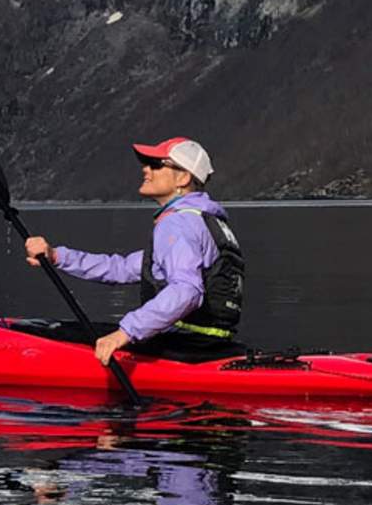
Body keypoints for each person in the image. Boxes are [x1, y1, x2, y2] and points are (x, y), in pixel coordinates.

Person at [24, 137, 245, 365]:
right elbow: (121, 268)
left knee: (57, 332)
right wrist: (57, 256)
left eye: (156, 164)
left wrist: (124, 333)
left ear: (183, 177)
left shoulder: (178, 224)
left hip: (186, 346)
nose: (146, 169)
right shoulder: (204, 221)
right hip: (213, 345)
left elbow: (187, 291)